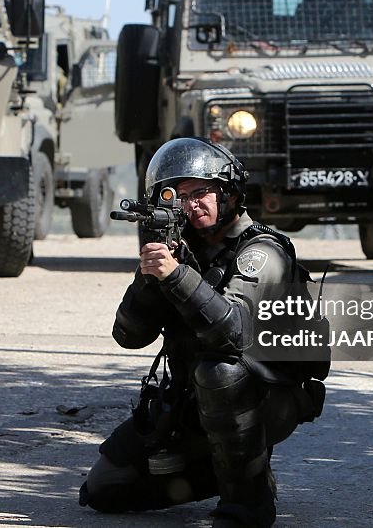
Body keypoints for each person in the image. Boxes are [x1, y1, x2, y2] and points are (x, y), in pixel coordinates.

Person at [79, 137, 329, 527]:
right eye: (177, 197)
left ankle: (248, 505)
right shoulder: (178, 249)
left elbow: (233, 333)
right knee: (103, 489)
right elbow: (129, 335)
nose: (190, 205)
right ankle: (232, 470)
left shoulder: (262, 251)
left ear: (227, 192)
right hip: (190, 401)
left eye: (201, 192)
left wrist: (176, 277)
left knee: (220, 371)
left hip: (266, 396)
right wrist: (151, 274)